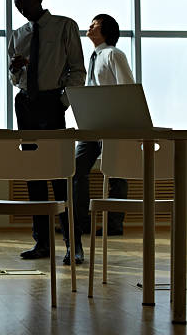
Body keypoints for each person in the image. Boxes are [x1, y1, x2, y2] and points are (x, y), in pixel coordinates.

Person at [8, 0, 86, 263]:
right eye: (17, 5)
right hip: (26, 103)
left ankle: (73, 244)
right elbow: (14, 77)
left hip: (52, 102)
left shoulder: (64, 26)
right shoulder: (18, 35)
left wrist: (62, 102)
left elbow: (77, 69)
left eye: (26, 3)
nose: (22, 10)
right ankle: (42, 243)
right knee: (34, 176)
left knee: (60, 175)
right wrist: (15, 72)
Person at [72, 14, 134, 248]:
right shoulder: (94, 56)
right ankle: (81, 221)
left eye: (94, 24)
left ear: (106, 30)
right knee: (77, 170)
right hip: (92, 123)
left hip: (112, 123)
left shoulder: (113, 54)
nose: (89, 27)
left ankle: (115, 224)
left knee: (116, 174)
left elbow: (127, 87)